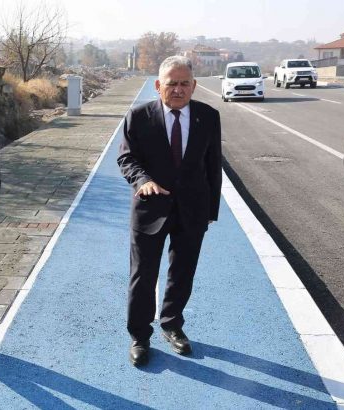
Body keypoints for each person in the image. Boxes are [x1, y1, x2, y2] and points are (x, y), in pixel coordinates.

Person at [117, 56, 222, 366]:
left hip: (192, 210)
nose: (178, 89)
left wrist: (211, 210)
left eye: (184, 83)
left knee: (182, 273)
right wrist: (143, 180)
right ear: (157, 85)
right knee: (143, 275)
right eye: (171, 83)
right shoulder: (139, 117)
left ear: (194, 85)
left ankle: (172, 324)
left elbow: (212, 165)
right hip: (149, 210)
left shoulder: (208, 116)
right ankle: (139, 336)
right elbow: (126, 158)